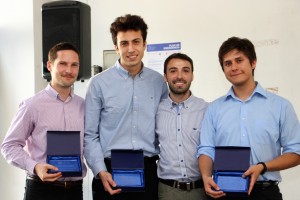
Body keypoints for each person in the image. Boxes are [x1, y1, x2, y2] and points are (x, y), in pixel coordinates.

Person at [197, 36, 300, 200]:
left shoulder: (280, 106)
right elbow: (206, 148)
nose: (234, 67)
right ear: (223, 69)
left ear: (253, 63)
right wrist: (205, 176)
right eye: (228, 63)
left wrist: (263, 166)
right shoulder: (214, 109)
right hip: (223, 191)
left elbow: (296, 152)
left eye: (239, 60)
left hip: (265, 192)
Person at [84, 14, 168, 200]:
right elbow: (90, 135)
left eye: (136, 42)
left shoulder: (158, 82)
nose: (131, 49)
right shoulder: (98, 84)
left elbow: (164, 128)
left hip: (148, 172)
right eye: (124, 43)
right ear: (116, 47)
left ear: (145, 44)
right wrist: (99, 171)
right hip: (109, 173)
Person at [1, 42, 87, 200]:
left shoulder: (83, 106)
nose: (69, 70)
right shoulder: (32, 105)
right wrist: (35, 166)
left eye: (74, 65)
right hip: (41, 190)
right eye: (62, 64)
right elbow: (9, 146)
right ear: (50, 65)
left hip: (75, 191)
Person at [155, 53, 209, 200]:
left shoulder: (207, 109)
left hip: (202, 190)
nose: (180, 76)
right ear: (165, 77)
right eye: (173, 71)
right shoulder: (156, 110)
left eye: (186, 70)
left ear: (192, 76)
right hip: (167, 191)